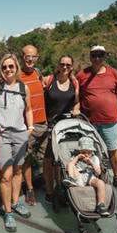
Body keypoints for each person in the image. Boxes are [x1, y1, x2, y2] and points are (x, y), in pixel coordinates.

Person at [76, 45, 117, 193]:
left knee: (112, 149)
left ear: (105, 56)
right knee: (89, 150)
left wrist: (107, 105)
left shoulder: (113, 73)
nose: (97, 58)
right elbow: (76, 94)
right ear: (90, 57)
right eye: (94, 55)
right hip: (89, 122)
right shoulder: (82, 74)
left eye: (100, 55)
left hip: (110, 121)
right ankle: (94, 176)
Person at [0, 53, 33, 232]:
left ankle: (16, 203)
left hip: (20, 134)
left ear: (16, 68)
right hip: (2, 135)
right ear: (0, 70)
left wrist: (30, 128)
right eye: (4, 67)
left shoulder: (24, 87)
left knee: (18, 171)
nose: (8, 70)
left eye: (11, 66)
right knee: (6, 175)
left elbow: (29, 109)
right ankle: (8, 211)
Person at [42, 55, 81, 202]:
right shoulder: (49, 80)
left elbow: (76, 102)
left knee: (63, 158)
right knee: (48, 159)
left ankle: (60, 187)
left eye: (68, 65)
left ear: (72, 67)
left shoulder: (74, 82)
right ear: (58, 65)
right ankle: (49, 191)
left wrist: (76, 110)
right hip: (50, 125)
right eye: (62, 64)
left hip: (67, 126)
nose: (65, 67)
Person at [19, 45, 47, 206]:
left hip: (43, 123)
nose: (30, 59)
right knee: (26, 159)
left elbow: (46, 84)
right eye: (27, 56)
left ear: (37, 57)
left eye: (33, 56)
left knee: (48, 158)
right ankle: (30, 189)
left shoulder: (38, 73)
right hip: (27, 125)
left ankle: (49, 184)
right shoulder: (16, 76)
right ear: (22, 57)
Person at [63, 137, 110, 217]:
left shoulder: (94, 158)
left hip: (90, 177)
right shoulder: (76, 158)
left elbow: (98, 172)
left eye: (89, 152)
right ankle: (71, 179)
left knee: (100, 183)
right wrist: (77, 158)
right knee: (70, 164)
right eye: (84, 152)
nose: (87, 154)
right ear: (80, 151)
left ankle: (101, 204)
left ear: (92, 152)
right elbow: (69, 166)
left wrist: (91, 163)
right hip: (78, 177)